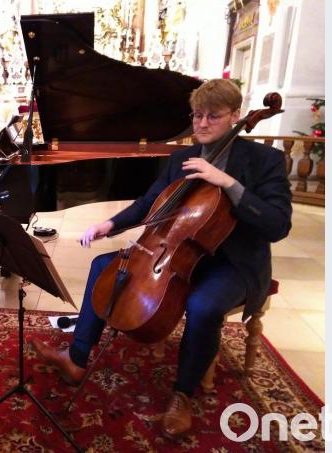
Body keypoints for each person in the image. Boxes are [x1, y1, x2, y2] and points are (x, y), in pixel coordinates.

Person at [32, 79, 293, 438]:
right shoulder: (181, 159)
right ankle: (76, 358)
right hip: (178, 252)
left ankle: (182, 394)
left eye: (213, 116)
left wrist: (228, 183)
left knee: (203, 306)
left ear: (235, 115)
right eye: (197, 115)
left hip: (232, 263)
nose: (202, 123)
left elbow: (278, 225)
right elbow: (149, 203)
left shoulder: (265, 161)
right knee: (104, 266)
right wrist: (110, 224)